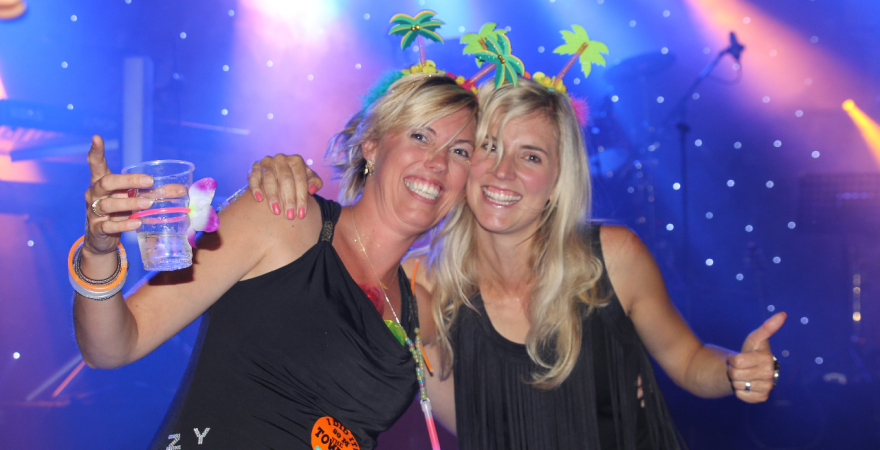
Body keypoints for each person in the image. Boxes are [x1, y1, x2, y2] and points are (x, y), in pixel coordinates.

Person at [250, 78, 785, 449]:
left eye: (530, 156)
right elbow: (463, 422)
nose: (502, 172)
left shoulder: (613, 257)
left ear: (557, 181)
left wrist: (735, 372)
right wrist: (282, 185)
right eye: (487, 147)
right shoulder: (423, 282)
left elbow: (690, 362)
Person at [72, 73, 477, 450]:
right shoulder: (281, 218)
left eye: (460, 151)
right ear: (371, 144)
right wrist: (98, 252)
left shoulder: (418, 314)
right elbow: (111, 348)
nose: (438, 162)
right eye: (420, 136)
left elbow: (485, 423)